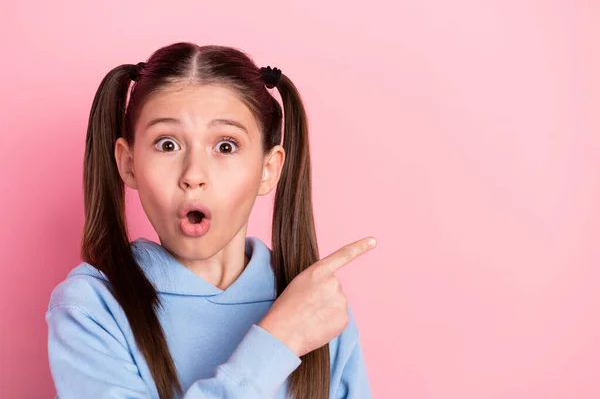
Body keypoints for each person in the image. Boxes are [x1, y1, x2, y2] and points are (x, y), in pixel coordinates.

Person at [46, 42, 377, 399]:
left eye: (226, 146)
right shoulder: (93, 307)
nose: (194, 175)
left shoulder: (313, 305)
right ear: (128, 164)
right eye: (168, 144)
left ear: (268, 170)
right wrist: (279, 342)